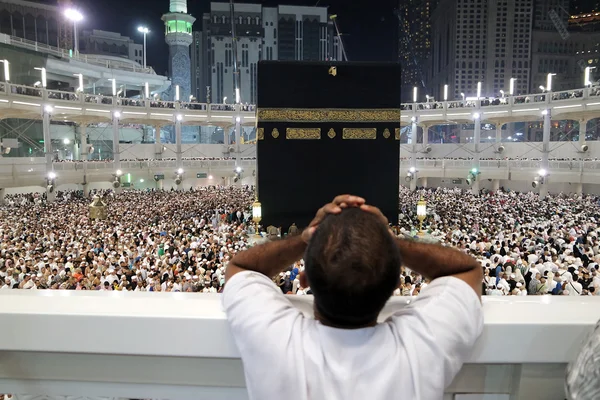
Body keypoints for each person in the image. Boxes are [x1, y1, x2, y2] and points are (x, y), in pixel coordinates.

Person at [223, 195, 483, 400]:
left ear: (304, 281)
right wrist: (388, 241)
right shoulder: (422, 347)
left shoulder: (275, 342)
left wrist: (305, 240)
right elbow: (467, 270)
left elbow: (240, 268)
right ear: (396, 284)